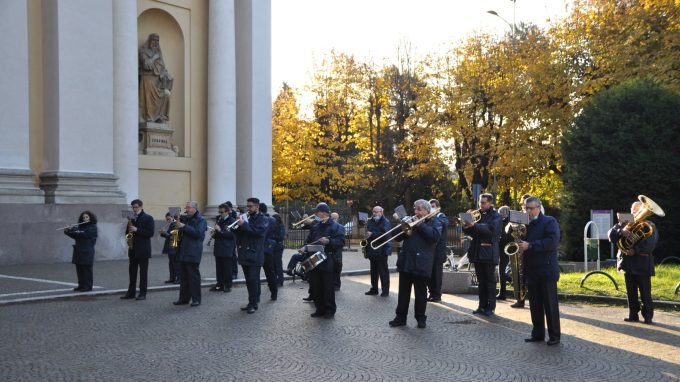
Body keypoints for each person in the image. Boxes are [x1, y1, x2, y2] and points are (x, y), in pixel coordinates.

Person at [389, 199, 441, 329]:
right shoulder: (410, 220)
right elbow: (397, 237)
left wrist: (419, 225)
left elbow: (433, 237)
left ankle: (420, 318)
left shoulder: (435, 222)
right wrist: (403, 224)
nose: (416, 212)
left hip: (422, 263)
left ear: (427, 211)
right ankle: (400, 317)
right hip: (406, 261)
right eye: (415, 209)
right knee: (403, 293)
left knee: (421, 294)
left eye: (419, 209)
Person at [518, 196, 561, 345]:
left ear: (538, 207)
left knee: (550, 305)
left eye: (530, 208)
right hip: (531, 269)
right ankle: (537, 334)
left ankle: (554, 336)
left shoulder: (549, 221)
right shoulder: (524, 224)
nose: (528, 211)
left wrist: (530, 245)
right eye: (525, 208)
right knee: (535, 305)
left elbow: (552, 241)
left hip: (546, 269)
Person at [608, 200, 658, 325]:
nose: (635, 212)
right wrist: (621, 231)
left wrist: (635, 250)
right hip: (627, 263)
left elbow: (651, 243)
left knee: (645, 292)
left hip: (642, 263)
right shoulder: (624, 223)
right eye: (633, 210)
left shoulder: (649, 224)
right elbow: (611, 235)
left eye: (638, 209)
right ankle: (633, 315)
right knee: (631, 292)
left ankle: (648, 316)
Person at [463, 193, 502, 316]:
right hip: (477, 252)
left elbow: (491, 229)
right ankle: (481, 306)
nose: (481, 205)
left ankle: (490, 307)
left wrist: (475, 225)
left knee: (489, 282)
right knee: (481, 282)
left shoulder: (496, 216)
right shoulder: (478, 216)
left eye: (484, 203)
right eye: (480, 202)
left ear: (490, 203)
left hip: (489, 252)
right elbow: (471, 232)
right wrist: (466, 224)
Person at [304, 202, 345, 318]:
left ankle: (329, 310)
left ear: (323, 213)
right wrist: (305, 247)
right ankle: (319, 309)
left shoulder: (337, 227)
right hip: (314, 259)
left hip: (328, 259)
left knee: (327, 287)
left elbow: (341, 243)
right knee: (316, 286)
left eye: (317, 212)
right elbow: (308, 240)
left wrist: (329, 242)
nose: (316, 215)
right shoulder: (315, 226)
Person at [234, 197, 269, 314]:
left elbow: (257, 232)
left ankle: (254, 304)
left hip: (255, 254)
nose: (248, 208)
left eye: (250, 206)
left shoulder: (263, 219)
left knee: (253, 280)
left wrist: (243, 224)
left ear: (257, 207)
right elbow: (240, 234)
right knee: (249, 280)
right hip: (244, 253)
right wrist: (237, 225)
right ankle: (251, 302)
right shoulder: (247, 218)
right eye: (247, 206)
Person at [173, 201, 207, 307]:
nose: (186, 209)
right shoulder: (186, 218)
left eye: (188, 207)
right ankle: (184, 299)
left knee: (193, 277)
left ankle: (196, 299)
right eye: (186, 207)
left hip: (193, 251)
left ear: (194, 208)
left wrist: (183, 226)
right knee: (183, 277)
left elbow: (198, 233)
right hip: (183, 251)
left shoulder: (201, 220)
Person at [122, 199, 155, 301]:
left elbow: (150, 233)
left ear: (141, 207)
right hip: (133, 249)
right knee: (132, 272)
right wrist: (128, 238)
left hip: (143, 249)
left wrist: (137, 229)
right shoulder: (131, 218)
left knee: (143, 272)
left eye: (136, 207)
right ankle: (131, 292)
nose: (134, 209)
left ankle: (142, 293)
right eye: (133, 207)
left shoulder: (148, 218)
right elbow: (127, 232)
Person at [138, 33, 173, 123]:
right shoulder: (143, 51)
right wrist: (155, 57)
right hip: (147, 80)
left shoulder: (159, 54)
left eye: (157, 41)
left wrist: (165, 74)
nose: (156, 43)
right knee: (148, 86)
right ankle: (148, 118)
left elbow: (162, 68)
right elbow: (146, 65)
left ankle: (161, 117)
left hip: (158, 84)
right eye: (154, 40)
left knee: (167, 93)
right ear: (149, 41)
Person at [64, 211, 98, 292]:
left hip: (87, 251)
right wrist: (68, 231)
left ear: (90, 217)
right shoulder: (80, 227)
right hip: (78, 250)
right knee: (79, 269)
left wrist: (75, 231)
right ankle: (81, 285)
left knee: (86, 270)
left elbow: (85, 235)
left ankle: (88, 286)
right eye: (83, 217)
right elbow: (75, 236)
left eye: (86, 217)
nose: (85, 219)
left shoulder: (93, 227)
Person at [364, 206, 391, 297]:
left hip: (382, 250)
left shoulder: (385, 222)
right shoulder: (371, 221)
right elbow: (368, 232)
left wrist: (372, 234)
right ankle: (374, 289)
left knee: (383, 272)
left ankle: (385, 291)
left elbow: (386, 236)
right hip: (372, 250)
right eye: (373, 212)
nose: (375, 213)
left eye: (377, 212)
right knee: (373, 271)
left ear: (382, 212)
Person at [210, 203, 237, 293]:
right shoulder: (219, 220)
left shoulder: (232, 221)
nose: (220, 214)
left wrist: (220, 230)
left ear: (227, 212)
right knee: (219, 268)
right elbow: (219, 234)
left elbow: (231, 235)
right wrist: (214, 234)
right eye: (219, 212)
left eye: (221, 212)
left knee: (227, 268)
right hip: (218, 247)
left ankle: (228, 286)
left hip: (227, 248)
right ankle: (219, 285)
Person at [427, 199, 449, 303]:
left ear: (438, 208)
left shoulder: (441, 216)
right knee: (429, 274)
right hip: (430, 251)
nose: (431, 208)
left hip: (439, 251)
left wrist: (433, 216)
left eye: (433, 206)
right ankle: (431, 293)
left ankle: (437, 295)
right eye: (429, 206)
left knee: (436, 275)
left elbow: (445, 223)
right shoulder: (428, 218)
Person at [260, 203, 279, 301]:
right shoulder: (273, 220)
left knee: (255, 274)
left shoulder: (261, 219)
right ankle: (274, 293)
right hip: (268, 248)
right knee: (270, 272)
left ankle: (256, 298)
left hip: (260, 247)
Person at [159, 212, 180, 284]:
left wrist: (165, 233)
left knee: (175, 263)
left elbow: (173, 236)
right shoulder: (171, 224)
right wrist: (162, 233)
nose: (168, 221)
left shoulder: (175, 224)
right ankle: (172, 278)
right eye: (167, 219)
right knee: (171, 263)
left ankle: (178, 278)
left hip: (173, 246)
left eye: (169, 219)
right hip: (170, 245)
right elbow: (168, 235)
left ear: (172, 217)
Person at [497, 206, 512, 300]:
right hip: (507, 248)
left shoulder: (503, 223)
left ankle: (503, 293)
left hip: (505, 249)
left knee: (501, 271)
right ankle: (502, 292)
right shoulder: (510, 221)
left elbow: (504, 237)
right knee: (501, 271)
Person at [329, 211, 343, 291]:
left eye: (335, 218)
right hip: (330, 250)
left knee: (337, 267)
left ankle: (337, 285)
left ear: (338, 219)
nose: (334, 219)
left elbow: (341, 241)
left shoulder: (340, 227)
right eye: (332, 218)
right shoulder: (328, 226)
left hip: (337, 251)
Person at [272, 214, 286, 287]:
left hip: (278, 246)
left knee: (278, 264)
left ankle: (280, 280)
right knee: (274, 264)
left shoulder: (280, 226)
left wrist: (273, 236)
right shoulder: (274, 226)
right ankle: (275, 280)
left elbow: (281, 237)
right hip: (273, 247)